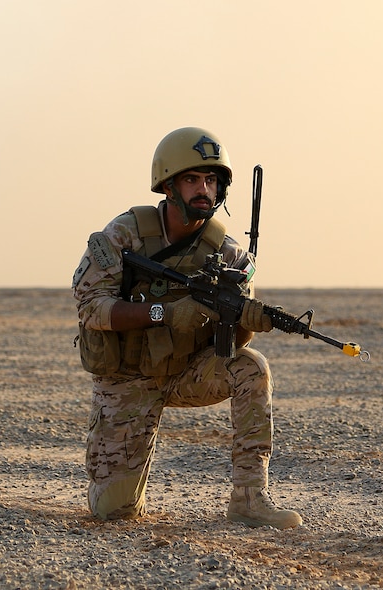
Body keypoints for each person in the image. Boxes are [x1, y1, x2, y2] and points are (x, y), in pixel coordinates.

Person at [72, 127, 302, 528]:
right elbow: (91, 308)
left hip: (185, 372)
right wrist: (161, 313)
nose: (203, 189)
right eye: (192, 179)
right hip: (129, 378)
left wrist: (245, 322)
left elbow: (226, 345)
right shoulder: (125, 234)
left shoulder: (229, 253)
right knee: (113, 514)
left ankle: (249, 498)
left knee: (252, 367)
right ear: (168, 185)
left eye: (211, 180)